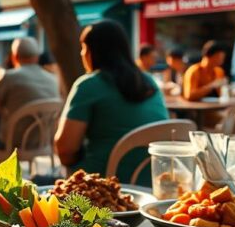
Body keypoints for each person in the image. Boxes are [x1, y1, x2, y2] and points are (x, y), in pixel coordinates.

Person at [54, 20, 169, 183]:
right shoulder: (149, 82)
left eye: (84, 48)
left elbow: (66, 150)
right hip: (153, 181)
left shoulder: (88, 85)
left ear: (93, 52)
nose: (81, 54)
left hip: (102, 185)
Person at [0, 38, 60, 156]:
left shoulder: (8, 77)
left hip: (11, 142)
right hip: (42, 141)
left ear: (14, 57)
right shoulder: (52, 79)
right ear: (37, 57)